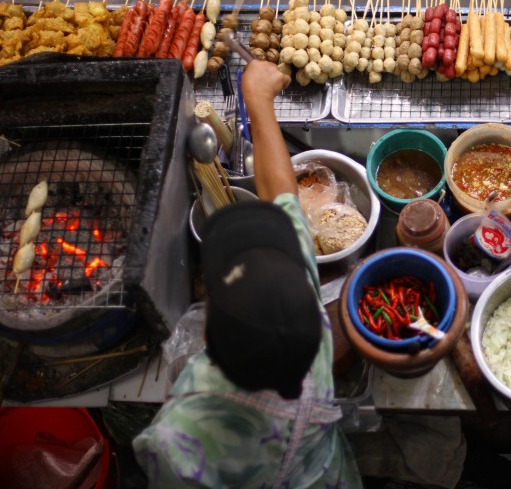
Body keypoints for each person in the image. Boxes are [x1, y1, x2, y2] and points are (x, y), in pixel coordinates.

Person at [132, 60, 363, 488]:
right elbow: (283, 196)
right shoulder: (308, 333)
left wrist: (256, 95)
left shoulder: (176, 440)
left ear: (207, 337)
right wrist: (258, 100)